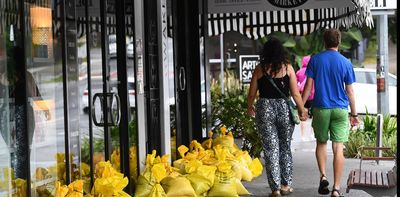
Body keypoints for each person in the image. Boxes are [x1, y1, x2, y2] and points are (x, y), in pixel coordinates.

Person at [301, 28, 359, 197]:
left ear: (324, 42)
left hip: (321, 107)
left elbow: (308, 86)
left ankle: (323, 176)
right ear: (339, 42)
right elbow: (350, 91)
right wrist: (354, 114)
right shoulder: (345, 62)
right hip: (341, 109)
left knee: (321, 143)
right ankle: (336, 188)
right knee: (338, 148)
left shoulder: (315, 60)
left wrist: (302, 106)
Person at [247, 38, 307, 197]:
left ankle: (275, 189)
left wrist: (250, 106)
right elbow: (295, 93)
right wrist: (302, 110)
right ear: (282, 52)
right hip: (284, 109)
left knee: (271, 149)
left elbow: (252, 93)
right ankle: (286, 185)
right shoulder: (288, 68)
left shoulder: (259, 69)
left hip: (265, 109)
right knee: (285, 147)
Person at [296, 55, 314, 140]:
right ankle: (312, 134)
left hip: (302, 96)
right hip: (313, 95)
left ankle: (302, 136)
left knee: (303, 114)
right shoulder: (313, 71)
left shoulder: (299, 72)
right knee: (314, 116)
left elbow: (295, 84)